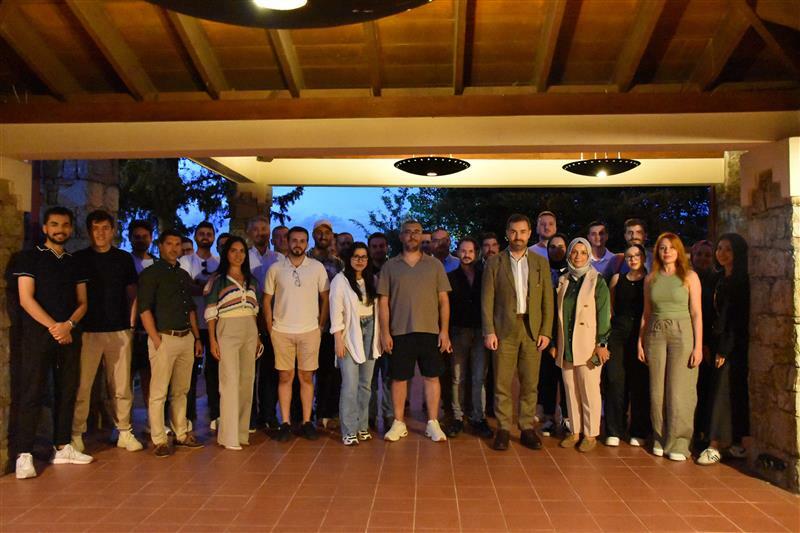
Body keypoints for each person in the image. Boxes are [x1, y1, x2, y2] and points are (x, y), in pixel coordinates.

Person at [11, 206, 92, 478]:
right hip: (37, 336)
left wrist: (68, 325)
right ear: (45, 228)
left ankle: (62, 446)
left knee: (67, 390)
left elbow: (83, 302)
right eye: (55, 224)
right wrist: (55, 327)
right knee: (31, 392)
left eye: (65, 225)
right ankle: (24, 454)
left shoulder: (74, 262)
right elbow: (26, 299)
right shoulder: (29, 258)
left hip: (69, 335)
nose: (60, 229)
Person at [71, 210, 143, 454]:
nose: (100, 233)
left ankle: (124, 431)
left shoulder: (123, 259)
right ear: (88, 231)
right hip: (88, 331)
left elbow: (132, 292)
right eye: (95, 228)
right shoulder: (79, 259)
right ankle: (76, 433)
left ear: (113, 231)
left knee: (121, 386)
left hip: (119, 330)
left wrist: (131, 324)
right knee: (82, 386)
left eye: (105, 228)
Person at [482, 214, 553, 451]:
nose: (518, 236)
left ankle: (526, 427)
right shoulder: (495, 263)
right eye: (513, 231)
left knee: (530, 382)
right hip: (504, 330)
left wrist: (546, 331)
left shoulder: (540, 263)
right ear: (507, 233)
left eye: (522, 231)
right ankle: (503, 428)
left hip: (532, 329)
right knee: (502, 382)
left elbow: (548, 300)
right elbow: (487, 300)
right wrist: (489, 331)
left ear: (530, 233)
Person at [379, 219, 452, 442]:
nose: (412, 235)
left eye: (417, 232)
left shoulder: (435, 265)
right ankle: (398, 423)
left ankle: (433, 423)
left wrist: (444, 331)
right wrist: (385, 333)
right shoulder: (390, 266)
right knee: (399, 378)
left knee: (432, 377)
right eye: (408, 232)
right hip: (399, 331)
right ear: (401, 236)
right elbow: (383, 302)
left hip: (430, 331)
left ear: (422, 236)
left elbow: (444, 300)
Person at [137, 229, 205, 457]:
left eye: (177, 244)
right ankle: (159, 439)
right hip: (164, 337)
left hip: (186, 337)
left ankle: (181, 433)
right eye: (170, 244)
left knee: (181, 390)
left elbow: (191, 308)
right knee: (159, 392)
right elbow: (144, 308)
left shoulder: (182, 274)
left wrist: (196, 337)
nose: (174, 248)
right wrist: (156, 339)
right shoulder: (151, 274)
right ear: (160, 246)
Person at [639, 232, 703, 461]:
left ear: (679, 251)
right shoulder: (650, 279)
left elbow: (696, 313)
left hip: (682, 332)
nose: (667, 251)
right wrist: (640, 341)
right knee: (657, 391)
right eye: (663, 247)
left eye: (672, 247)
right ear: (657, 251)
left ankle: (679, 442)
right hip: (656, 332)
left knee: (679, 390)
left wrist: (698, 346)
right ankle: (660, 438)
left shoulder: (690, 277)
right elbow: (646, 313)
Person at [264, 226, 330, 442]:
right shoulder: (276, 268)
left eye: (302, 241)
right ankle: (284, 422)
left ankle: (307, 421)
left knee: (306, 377)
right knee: (285, 377)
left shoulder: (317, 267)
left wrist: (321, 326)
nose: (298, 244)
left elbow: (325, 297)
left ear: (307, 243)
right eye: (294, 240)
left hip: (309, 331)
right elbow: (266, 299)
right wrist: (270, 327)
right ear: (287, 242)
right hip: (281, 331)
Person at [697, 234, 750, 466]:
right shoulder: (718, 278)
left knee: (724, 391)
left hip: (732, 346)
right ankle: (731, 442)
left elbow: (737, 319)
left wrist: (724, 350)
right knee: (717, 390)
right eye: (719, 248)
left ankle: (715, 445)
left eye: (728, 249)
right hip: (716, 341)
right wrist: (708, 344)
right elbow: (712, 313)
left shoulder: (740, 281)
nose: (722, 253)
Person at [553, 238, 610, 453]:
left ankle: (590, 433)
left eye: (583, 252)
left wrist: (602, 343)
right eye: (574, 252)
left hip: (588, 344)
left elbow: (604, 314)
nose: (578, 256)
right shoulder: (564, 280)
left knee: (589, 390)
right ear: (569, 254)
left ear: (588, 256)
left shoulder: (597, 280)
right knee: (570, 389)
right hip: (566, 345)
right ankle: (574, 431)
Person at [205, 236, 261, 450]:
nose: (238, 255)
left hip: (249, 329)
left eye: (242, 251)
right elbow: (211, 312)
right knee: (229, 382)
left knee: (247, 381)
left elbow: (254, 310)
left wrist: (257, 336)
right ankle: (228, 437)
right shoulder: (218, 280)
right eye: (233, 250)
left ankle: (241, 433)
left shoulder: (251, 280)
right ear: (226, 253)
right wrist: (212, 340)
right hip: (227, 328)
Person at [330, 242, 382, 445]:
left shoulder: (372, 280)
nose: (360, 260)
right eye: (356, 256)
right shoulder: (340, 280)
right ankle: (349, 429)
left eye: (364, 257)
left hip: (371, 331)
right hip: (350, 333)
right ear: (349, 258)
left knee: (365, 384)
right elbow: (336, 312)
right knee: (350, 385)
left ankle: (362, 426)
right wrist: (338, 339)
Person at [603, 243, 650, 447]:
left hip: (641, 334)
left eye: (637, 255)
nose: (633, 259)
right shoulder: (616, 279)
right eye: (629, 256)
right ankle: (614, 428)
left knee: (639, 382)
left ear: (643, 257)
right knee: (615, 380)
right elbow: (610, 309)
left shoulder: (650, 280)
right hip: (618, 334)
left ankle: (638, 430)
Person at [447, 238, 492, 439]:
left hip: (481, 331)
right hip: (458, 331)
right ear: (457, 252)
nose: (467, 254)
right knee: (457, 377)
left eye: (471, 251)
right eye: (463, 251)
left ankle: (478, 417)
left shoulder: (485, 276)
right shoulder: (450, 277)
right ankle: (457, 417)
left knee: (479, 377)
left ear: (476, 253)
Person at [179, 221, 220, 431]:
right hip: (191, 324)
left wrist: (200, 287)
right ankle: (188, 415)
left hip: (214, 325)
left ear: (213, 237)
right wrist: (208, 287)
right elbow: (185, 288)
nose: (205, 237)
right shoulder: (186, 261)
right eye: (201, 233)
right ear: (196, 237)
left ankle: (215, 414)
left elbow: (219, 291)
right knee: (189, 372)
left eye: (209, 234)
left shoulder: (219, 261)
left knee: (214, 372)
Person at [246, 216, 282, 431]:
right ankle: (250, 416)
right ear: (249, 233)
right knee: (249, 372)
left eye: (265, 229)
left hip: (271, 321)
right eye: (257, 229)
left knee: (270, 372)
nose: (261, 233)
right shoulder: (243, 257)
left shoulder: (279, 259)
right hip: (248, 320)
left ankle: (268, 414)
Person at [309, 219, 344, 429]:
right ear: (313, 235)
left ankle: (326, 412)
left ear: (332, 236)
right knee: (306, 371)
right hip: (307, 322)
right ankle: (303, 414)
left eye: (327, 232)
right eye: (319, 232)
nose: (323, 236)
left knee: (329, 370)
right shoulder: (305, 259)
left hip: (331, 324)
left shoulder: (338, 264)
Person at [539, 233, 569, 437]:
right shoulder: (542, 272)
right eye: (552, 247)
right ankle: (549, 417)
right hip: (546, 333)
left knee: (566, 379)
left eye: (561, 247)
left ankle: (567, 418)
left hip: (568, 334)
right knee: (547, 378)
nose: (557, 250)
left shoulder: (573, 272)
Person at [128, 220, 155, 411]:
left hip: (150, 327)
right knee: (126, 376)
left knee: (149, 375)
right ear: (130, 238)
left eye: (144, 236)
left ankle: (152, 419)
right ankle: (124, 421)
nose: (141, 240)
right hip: (129, 326)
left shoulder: (157, 263)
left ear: (151, 238)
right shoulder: (125, 261)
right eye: (136, 237)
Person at [691, 239, 716, 446]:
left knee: (705, 389)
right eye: (699, 254)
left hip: (708, 342)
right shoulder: (686, 277)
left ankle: (702, 432)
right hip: (686, 339)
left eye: (707, 255)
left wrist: (706, 343)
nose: (703, 258)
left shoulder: (716, 280)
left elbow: (711, 314)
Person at [367, 232, 393, 430]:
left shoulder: (393, 269)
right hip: (368, 331)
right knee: (369, 379)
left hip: (390, 329)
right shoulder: (363, 271)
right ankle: (369, 416)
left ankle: (389, 415)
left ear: (387, 247)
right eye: (374, 246)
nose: (378, 250)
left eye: (381, 246)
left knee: (389, 377)